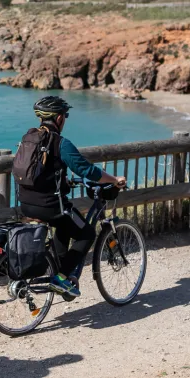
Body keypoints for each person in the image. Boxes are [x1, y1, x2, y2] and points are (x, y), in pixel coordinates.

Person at [18, 96, 125, 298]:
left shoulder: (29, 139)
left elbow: (39, 173)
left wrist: (63, 182)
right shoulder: (61, 143)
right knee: (86, 234)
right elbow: (87, 170)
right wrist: (113, 179)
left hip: (26, 204)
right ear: (59, 118)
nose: (65, 119)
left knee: (65, 225)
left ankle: (61, 275)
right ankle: (61, 277)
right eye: (65, 116)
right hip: (50, 206)